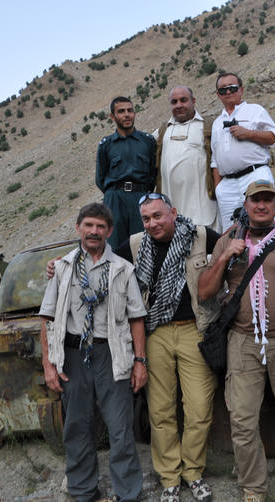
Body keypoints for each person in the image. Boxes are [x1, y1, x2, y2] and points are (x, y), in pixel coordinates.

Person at [197, 179, 275, 502]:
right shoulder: (228, 240)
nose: (262, 205)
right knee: (242, 420)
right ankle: (253, 488)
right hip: (242, 341)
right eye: (256, 200)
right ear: (247, 204)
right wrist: (225, 256)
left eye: (268, 200)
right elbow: (205, 290)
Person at [38, 202, 147, 502]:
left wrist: (140, 361)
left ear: (109, 231)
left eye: (100, 226)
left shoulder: (123, 269)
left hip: (112, 354)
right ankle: (83, 490)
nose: (94, 231)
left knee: (120, 427)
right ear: (78, 228)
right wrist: (48, 365)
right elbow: (47, 318)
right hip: (73, 355)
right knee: (76, 426)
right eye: (88, 225)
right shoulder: (62, 268)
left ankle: (128, 493)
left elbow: (137, 318)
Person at [118, 193, 220, 502]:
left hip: (194, 330)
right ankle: (170, 477)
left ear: (173, 212)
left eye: (158, 216)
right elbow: (102, 259)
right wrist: (60, 264)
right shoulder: (135, 245)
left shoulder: (200, 236)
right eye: (146, 218)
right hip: (155, 333)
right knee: (161, 411)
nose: (152, 223)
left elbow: (234, 252)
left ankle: (193, 471)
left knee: (199, 407)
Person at [210, 72, 275, 231]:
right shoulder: (217, 123)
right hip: (227, 185)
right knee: (231, 230)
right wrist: (219, 188)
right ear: (218, 94)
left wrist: (249, 134)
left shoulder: (255, 110)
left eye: (232, 88)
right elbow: (215, 160)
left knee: (270, 222)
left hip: (254, 174)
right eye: (223, 90)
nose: (228, 92)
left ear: (241, 89)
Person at [153, 86, 220, 232]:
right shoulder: (162, 130)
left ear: (193, 101)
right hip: (172, 211)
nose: (179, 105)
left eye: (183, 100)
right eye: (174, 102)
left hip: (203, 210)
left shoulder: (208, 127)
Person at [96, 96, 157, 247]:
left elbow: (153, 173)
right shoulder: (106, 145)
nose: (127, 115)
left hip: (141, 197)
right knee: (114, 246)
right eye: (121, 111)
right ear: (113, 116)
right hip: (115, 200)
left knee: (143, 244)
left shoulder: (147, 141)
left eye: (130, 110)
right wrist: (114, 193)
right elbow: (100, 178)